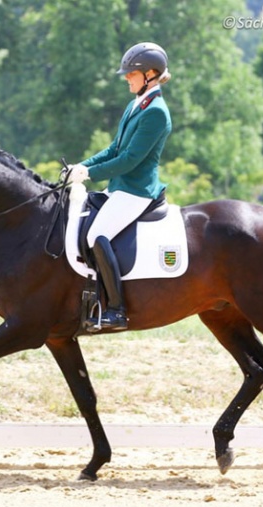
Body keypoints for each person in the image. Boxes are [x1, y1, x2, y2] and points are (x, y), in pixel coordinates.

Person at [68, 42, 172, 331]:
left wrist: (88, 174)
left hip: (137, 190)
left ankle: (116, 310)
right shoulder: (136, 104)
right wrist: (82, 166)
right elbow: (114, 149)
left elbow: (129, 160)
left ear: (150, 74)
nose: (127, 77)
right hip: (119, 187)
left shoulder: (156, 112)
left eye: (132, 73)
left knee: (97, 235)